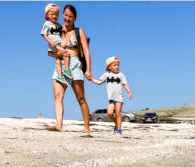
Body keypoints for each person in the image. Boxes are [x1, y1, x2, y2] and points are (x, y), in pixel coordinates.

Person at [48, 4, 92, 132]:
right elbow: (49, 52)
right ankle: (59, 126)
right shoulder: (56, 30)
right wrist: (58, 53)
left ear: (75, 18)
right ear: (63, 15)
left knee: (81, 98)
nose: (67, 18)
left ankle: (87, 127)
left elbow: (87, 52)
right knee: (58, 96)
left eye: (71, 16)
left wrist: (88, 70)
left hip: (75, 64)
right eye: (66, 15)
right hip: (60, 65)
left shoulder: (79, 32)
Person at [91, 56, 133, 134]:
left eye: (118, 65)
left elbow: (125, 84)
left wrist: (129, 92)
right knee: (109, 113)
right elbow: (99, 82)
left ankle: (119, 130)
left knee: (118, 114)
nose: (117, 67)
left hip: (119, 97)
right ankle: (116, 123)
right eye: (115, 65)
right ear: (109, 67)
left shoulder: (121, 75)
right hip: (111, 98)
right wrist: (92, 79)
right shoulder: (106, 75)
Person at [41, 3, 71, 86]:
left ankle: (60, 76)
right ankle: (67, 69)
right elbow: (44, 34)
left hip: (59, 45)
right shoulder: (47, 24)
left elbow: (63, 29)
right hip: (54, 45)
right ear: (47, 15)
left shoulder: (58, 25)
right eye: (52, 14)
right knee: (66, 54)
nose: (54, 16)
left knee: (58, 60)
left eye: (57, 14)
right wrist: (50, 42)